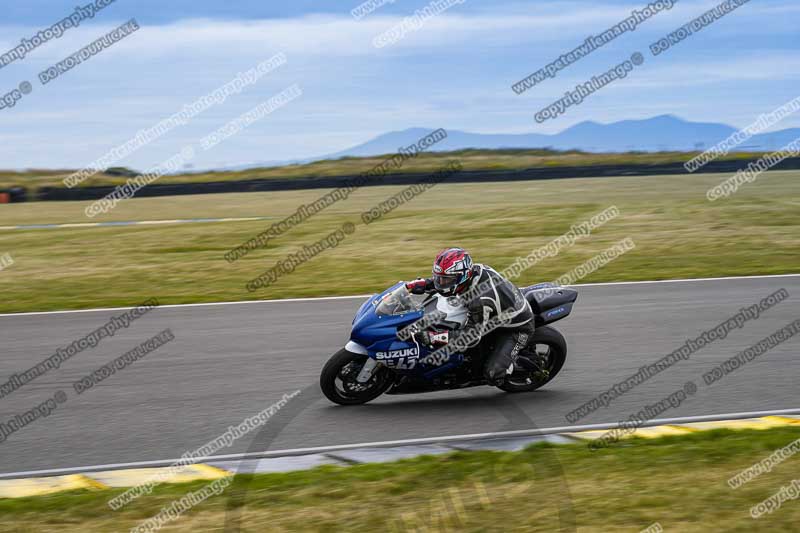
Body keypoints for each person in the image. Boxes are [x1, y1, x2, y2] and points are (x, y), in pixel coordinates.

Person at [405, 247, 534, 385]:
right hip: (497, 314)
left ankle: (515, 366)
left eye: (445, 279)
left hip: (516, 328)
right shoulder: (471, 273)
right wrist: (421, 284)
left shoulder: (480, 301)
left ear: (463, 277)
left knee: (493, 375)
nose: (440, 282)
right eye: (438, 277)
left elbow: (470, 338)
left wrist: (432, 337)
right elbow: (446, 283)